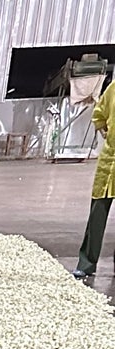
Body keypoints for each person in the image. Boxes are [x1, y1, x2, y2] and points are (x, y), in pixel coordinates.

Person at [75, 74, 114, 284]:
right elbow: (99, 114)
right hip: (109, 163)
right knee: (97, 216)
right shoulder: (114, 89)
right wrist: (103, 130)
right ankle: (86, 264)